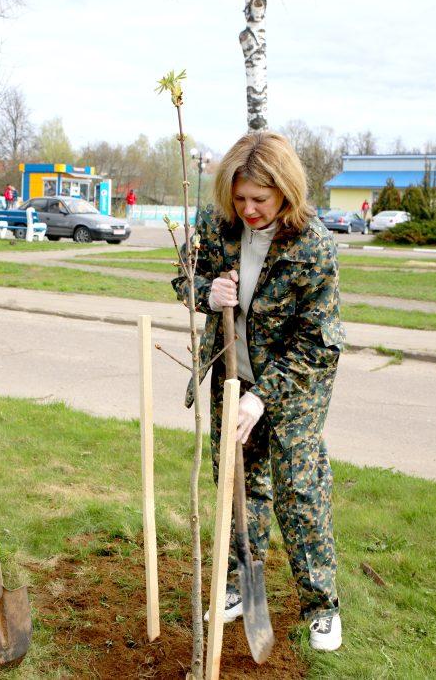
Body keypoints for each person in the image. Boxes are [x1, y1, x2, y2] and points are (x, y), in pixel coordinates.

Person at [172, 131, 345, 652]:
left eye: (260, 200)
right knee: (237, 483)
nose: (248, 209)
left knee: (298, 486)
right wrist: (206, 291)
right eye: (240, 197)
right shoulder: (214, 223)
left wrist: (264, 394)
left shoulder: (313, 246)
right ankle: (237, 589)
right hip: (234, 372)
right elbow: (183, 276)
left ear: (286, 194)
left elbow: (319, 342)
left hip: (294, 385)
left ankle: (322, 606)